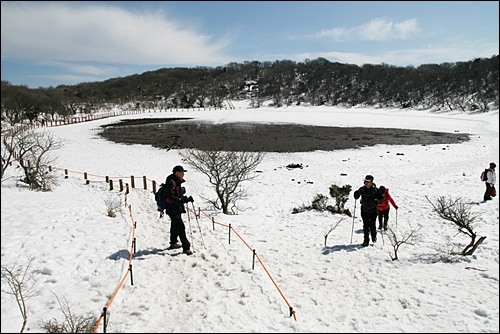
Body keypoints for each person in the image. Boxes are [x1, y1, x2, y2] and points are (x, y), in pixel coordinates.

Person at [165, 165, 194, 255]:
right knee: (181, 227)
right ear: (176, 173)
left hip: (175, 208)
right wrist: (182, 200)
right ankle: (186, 248)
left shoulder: (175, 181)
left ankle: (173, 243)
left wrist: (185, 198)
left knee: (175, 225)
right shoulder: (171, 182)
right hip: (172, 208)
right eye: (182, 172)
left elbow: (177, 195)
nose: (183, 174)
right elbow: (171, 196)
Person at [354, 175, 383, 247]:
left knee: (372, 225)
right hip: (364, 210)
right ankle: (366, 241)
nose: (366, 183)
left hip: (373, 210)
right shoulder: (362, 189)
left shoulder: (376, 190)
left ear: (371, 182)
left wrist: (378, 200)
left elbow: (381, 198)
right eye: (365, 181)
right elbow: (356, 197)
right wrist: (356, 193)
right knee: (365, 226)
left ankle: (374, 236)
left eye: (368, 181)